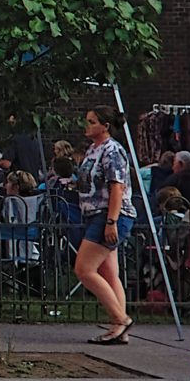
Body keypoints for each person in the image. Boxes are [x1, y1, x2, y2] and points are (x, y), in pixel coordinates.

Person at [75, 106, 136, 346]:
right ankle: (119, 328)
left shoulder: (113, 151)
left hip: (108, 214)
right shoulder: (93, 150)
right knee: (109, 273)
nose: (86, 125)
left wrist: (111, 221)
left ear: (105, 126)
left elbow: (116, 188)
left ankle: (121, 319)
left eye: (91, 121)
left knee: (84, 269)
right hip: (94, 213)